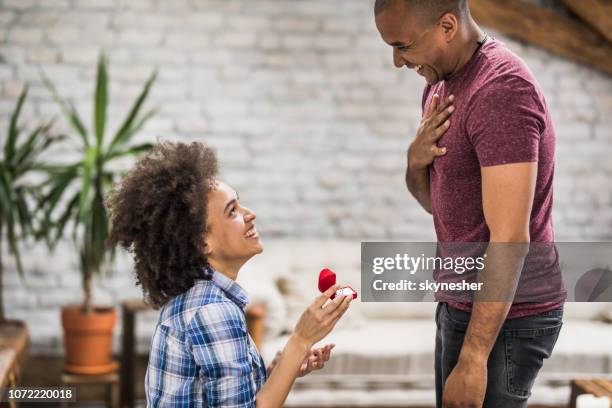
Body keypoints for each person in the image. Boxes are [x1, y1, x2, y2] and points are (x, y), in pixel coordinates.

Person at [374, 1, 565, 407]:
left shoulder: (500, 91)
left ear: (447, 26)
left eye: (402, 45)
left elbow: (511, 237)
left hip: (508, 318)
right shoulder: (439, 87)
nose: (396, 61)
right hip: (460, 302)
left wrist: (475, 356)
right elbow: (438, 206)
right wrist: (414, 161)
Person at [107, 141, 352, 407]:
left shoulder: (197, 300)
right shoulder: (213, 312)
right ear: (203, 243)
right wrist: (300, 340)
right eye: (232, 210)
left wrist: (284, 367)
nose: (250, 214)